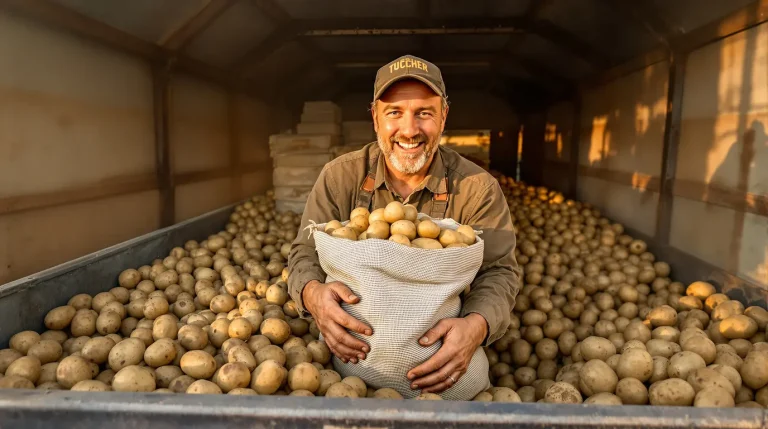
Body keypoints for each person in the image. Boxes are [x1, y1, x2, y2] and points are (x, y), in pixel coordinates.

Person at [287, 54, 521, 394]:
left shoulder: (477, 187)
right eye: (394, 113)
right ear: (375, 118)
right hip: (348, 367)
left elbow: (500, 271)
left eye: (424, 113)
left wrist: (476, 325)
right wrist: (313, 296)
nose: (409, 130)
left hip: (440, 367)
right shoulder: (341, 176)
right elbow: (304, 253)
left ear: (443, 116)